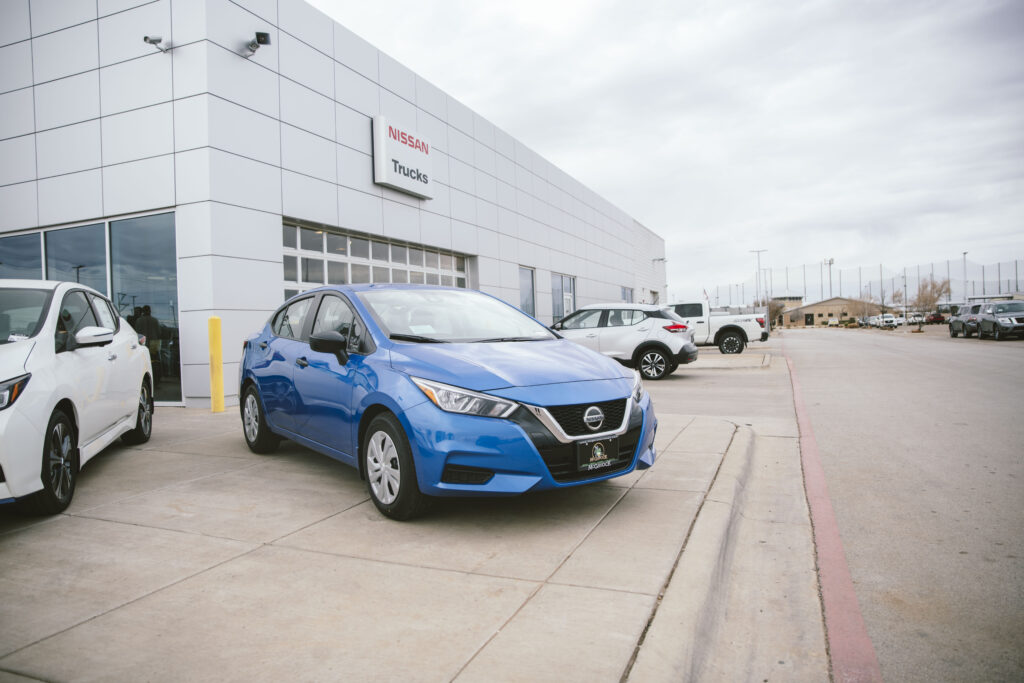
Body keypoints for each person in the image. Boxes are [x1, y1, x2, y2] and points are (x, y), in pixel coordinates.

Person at [135, 306, 162, 382]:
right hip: (153, 343)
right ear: (150, 311)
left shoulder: (139, 320)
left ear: (143, 311)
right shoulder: (155, 320)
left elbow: (136, 333)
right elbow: (159, 333)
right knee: (155, 362)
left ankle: (145, 379)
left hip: (143, 343)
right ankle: (156, 379)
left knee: (143, 362)